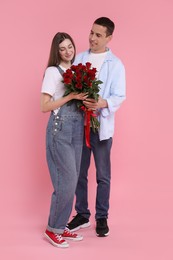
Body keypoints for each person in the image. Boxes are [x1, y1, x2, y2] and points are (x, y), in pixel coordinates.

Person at [67, 17, 126, 237]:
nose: (92, 38)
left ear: (109, 38)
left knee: (103, 175)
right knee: (78, 173)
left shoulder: (116, 64)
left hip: (100, 126)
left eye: (98, 35)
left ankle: (102, 217)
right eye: (91, 32)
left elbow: (119, 95)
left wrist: (101, 103)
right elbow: (69, 88)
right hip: (78, 126)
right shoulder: (79, 58)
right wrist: (79, 98)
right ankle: (82, 214)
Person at [40, 32, 88, 248]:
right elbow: (44, 107)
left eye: (70, 47)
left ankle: (61, 226)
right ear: (56, 51)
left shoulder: (76, 70)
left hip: (77, 128)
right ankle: (53, 229)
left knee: (74, 178)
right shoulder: (52, 71)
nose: (68, 51)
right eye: (62, 49)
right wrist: (72, 96)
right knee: (65, 182)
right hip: (60, 129)